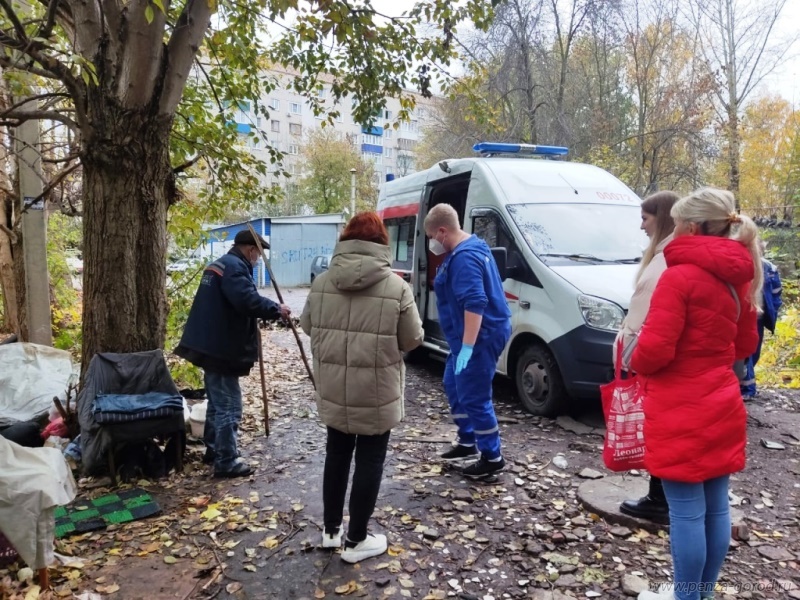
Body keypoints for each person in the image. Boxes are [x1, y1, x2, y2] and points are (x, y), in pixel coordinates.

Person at [631, 188, 761, 600]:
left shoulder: (678, 276)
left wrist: (634, 353)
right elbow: (743, 346)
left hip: (678, 407)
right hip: (722, 400)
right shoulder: (738, 279)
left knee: (686, 514)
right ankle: (700, 594)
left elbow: (653, 353)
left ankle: (686, 597)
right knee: (716, 508)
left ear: (688, 227)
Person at [300, 212, 423, 564]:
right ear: (382, 243)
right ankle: (355, 542)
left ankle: (330, 531)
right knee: (370, 460)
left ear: (346, 239)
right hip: (377, 392)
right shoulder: (397, 286)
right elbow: (412, 340)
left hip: (335, 387)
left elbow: (308, 326)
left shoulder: (322, 282)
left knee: (336, 455)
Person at [175, 230, 291, 478]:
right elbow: (246, 300)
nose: (258, 259)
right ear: (250, 250)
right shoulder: (236, 268)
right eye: (258, 254)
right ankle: (226, 460)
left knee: (218, 404)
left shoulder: (221, 265)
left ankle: (214, 450)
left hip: (211, 345)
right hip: (220, 348)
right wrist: (276, 309)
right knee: (229, 405)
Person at [423, 203, 512, 478]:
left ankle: (492, 457)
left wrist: (469, 348)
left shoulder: (464, 257)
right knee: (453, 383)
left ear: (441, 231)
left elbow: (475, 303)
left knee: (474, 395)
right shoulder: (468, 248)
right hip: (465, 338)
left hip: (479, 337)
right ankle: (468, 440)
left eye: (430, 237)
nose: (431, 244)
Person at [615, 191, 679, 524]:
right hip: (666, 360)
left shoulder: (665, 260)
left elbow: (650, 317)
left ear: (663, 217)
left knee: (658, 427)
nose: (641, 226)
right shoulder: (665, 255)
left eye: (645, 219)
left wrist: (633, 355)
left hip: (654, 360)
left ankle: (660, 500)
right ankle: (662, 495)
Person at [740, 241, 782, 399]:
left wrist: (774, 309)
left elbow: (777, 292)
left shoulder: (769, 267)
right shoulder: (743, 264)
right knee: (747, 351)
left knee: (755, 351)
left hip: (760, 316)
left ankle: (745, 383)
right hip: (746, 313)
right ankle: (748, 388)